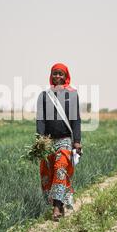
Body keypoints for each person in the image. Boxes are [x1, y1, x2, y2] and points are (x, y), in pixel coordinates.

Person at [36, 62, 82, 221]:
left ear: (66, 76)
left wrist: (77, 141)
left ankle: (56, 207)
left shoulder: (72, 95)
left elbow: (76, 119)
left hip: (65, 140)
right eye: (55, 73)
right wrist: (40, 139)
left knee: (60, 168)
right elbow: (40, 119)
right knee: (48, 173)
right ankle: (59, 202)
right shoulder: (44, 96)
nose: (57, 76)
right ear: (51, 75)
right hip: (48, 141)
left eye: (61, 74)